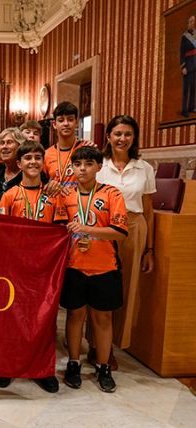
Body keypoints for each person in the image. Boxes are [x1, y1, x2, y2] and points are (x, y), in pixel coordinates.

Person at [55, 146, 128, 393]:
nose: (82, 169)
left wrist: (87, 229)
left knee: (103, 318)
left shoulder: (112, 194)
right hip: (74, 266)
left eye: (88, 164)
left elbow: (119, 233)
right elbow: (57, 229)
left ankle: (103, 365)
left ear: (99, 166)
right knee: (75, 316)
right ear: (73, 168)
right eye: (78, 164)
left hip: (104, 266)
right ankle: (74, 362)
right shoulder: (66, 195)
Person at [0, 140, 60, 393]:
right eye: (27, 158)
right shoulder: (9, 195)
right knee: (12, 316)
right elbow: (0, 232)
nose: (32, 162)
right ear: (19, 163)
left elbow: (60, 231)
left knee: (44, 318)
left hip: (45, 267)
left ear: (43, 162)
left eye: (37, 157)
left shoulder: (53, 195)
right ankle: (7, 364)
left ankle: (41, 368)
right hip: (16, 266)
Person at [95, 115, 156, 369]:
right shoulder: (99, 166)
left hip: (133, 226)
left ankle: (114, 346)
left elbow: (149, 209)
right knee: (100, 286)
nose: (122, 139)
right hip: (103, 228)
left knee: (126, 288)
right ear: (108, 137)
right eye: (117, 133)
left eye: (127, 134)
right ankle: (98, 346)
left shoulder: (145, 168)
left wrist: (149, 248)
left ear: (134, 138)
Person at [43, 101, 94, 188]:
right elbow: (42, 185)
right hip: (55, 200)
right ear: (54, 124)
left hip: (81, 201)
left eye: (70, 119)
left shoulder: (87, 149)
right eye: (61, 120)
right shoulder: (46, 154)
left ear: (76, 122)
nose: (66, 124)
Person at [181, 15, 196, 117]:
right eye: (190, 21)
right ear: (187, 23)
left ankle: (191, 107)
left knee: (194, 87)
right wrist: (183, 67)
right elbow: (181, 52)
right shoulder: (184, 37)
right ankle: (184, 109)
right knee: (186, 88)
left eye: (193, 21)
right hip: (188, 64)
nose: (191, 23)